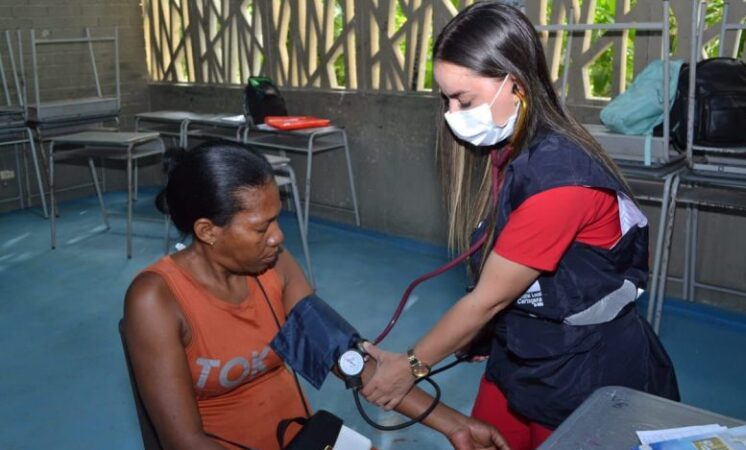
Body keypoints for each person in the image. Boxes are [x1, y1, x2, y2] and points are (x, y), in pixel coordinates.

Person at [360, 3, 681, 450]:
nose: (453, 114)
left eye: (464, 100)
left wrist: (410, 366)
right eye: (446, 99)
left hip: (581, 368)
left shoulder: (560, 179)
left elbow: (489, 299)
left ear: (515, 84)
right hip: (524, 348)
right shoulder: (512, 150)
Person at [122, 142, 510, 450]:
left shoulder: (272, 264)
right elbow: (184, 442)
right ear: (207, 231)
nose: (278, 237)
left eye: (277, 218)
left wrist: (456, 425)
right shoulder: (156, 299)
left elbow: (347, 360)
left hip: (304, 438)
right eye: (261, 228)